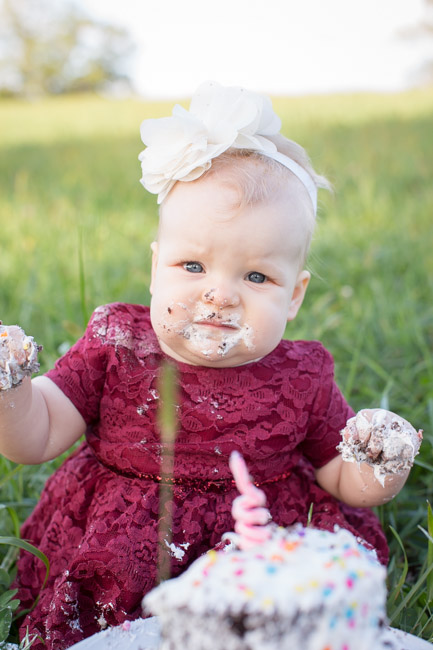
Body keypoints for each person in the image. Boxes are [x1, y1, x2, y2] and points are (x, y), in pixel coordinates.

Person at [0, 81, 421, 650]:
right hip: (125, 555)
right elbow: (37, 436)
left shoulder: (302, 376)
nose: (219, 295)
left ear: (293, 296)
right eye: (193, 265)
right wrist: (12, 387)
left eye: (255, 277)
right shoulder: (117, 343)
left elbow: (340, 479)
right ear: (156, 269)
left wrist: (379, 462)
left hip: (258, 557)